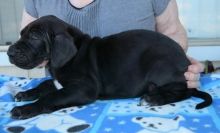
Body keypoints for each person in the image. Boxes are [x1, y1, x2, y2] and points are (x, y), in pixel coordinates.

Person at [21, 0, 204, 89]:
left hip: (139, 96)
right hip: (63, 97)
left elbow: (172, 32)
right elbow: (27, 47)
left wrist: (175, 62)